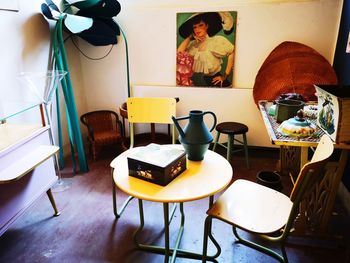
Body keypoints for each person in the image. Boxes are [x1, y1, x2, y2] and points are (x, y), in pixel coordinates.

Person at [177, 12, 235, 87]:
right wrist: (190, 37)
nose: (197, 29)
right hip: (204, 82)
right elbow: (179, 53)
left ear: (207, 26)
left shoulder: (216, 40)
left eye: (201, 25)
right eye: (195, 27)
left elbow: (232, 52)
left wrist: (225, 76)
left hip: (219, 83)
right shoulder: (193, 44)